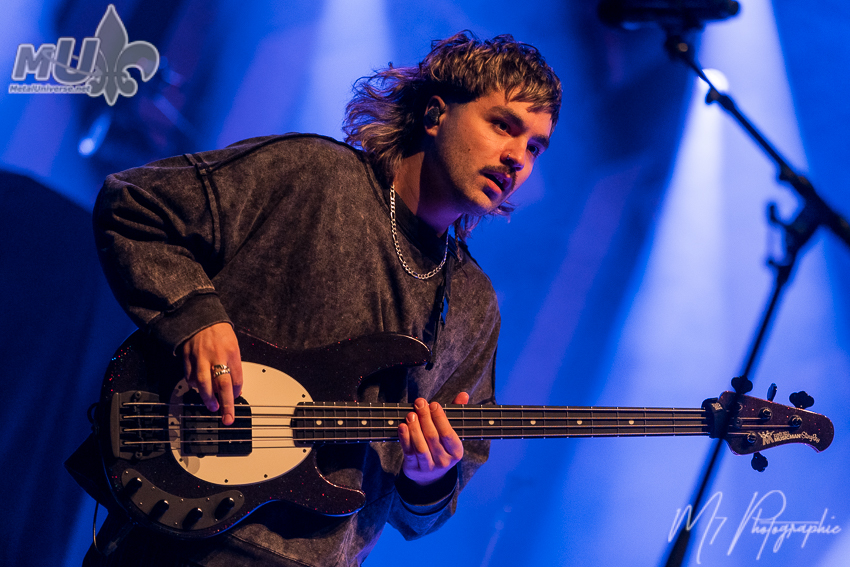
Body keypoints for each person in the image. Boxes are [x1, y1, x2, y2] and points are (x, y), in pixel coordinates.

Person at [83, 31, 561, 566]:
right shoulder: (314, 173)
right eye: (503, 125)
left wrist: (429, 476)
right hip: (179, 531)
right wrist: (195, 318)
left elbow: (420, 515)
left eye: (535, 147)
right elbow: (135, 204)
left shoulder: (475, 304)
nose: (517, 158)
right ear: (435, 114)